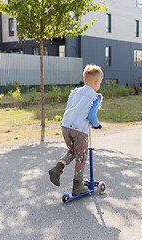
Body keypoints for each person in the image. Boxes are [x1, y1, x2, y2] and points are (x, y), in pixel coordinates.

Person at [48, 64, 103, 196]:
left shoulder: (75, 92)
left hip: (66, 127)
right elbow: (91, 115)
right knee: (82, 157)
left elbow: (70, 108)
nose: (99, 85)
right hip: (80, 130)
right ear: (96, 82)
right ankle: (77, 185)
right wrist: (96, 125)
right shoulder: (95, 97)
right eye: (100, 82)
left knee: (73, 151)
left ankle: (57, 168)